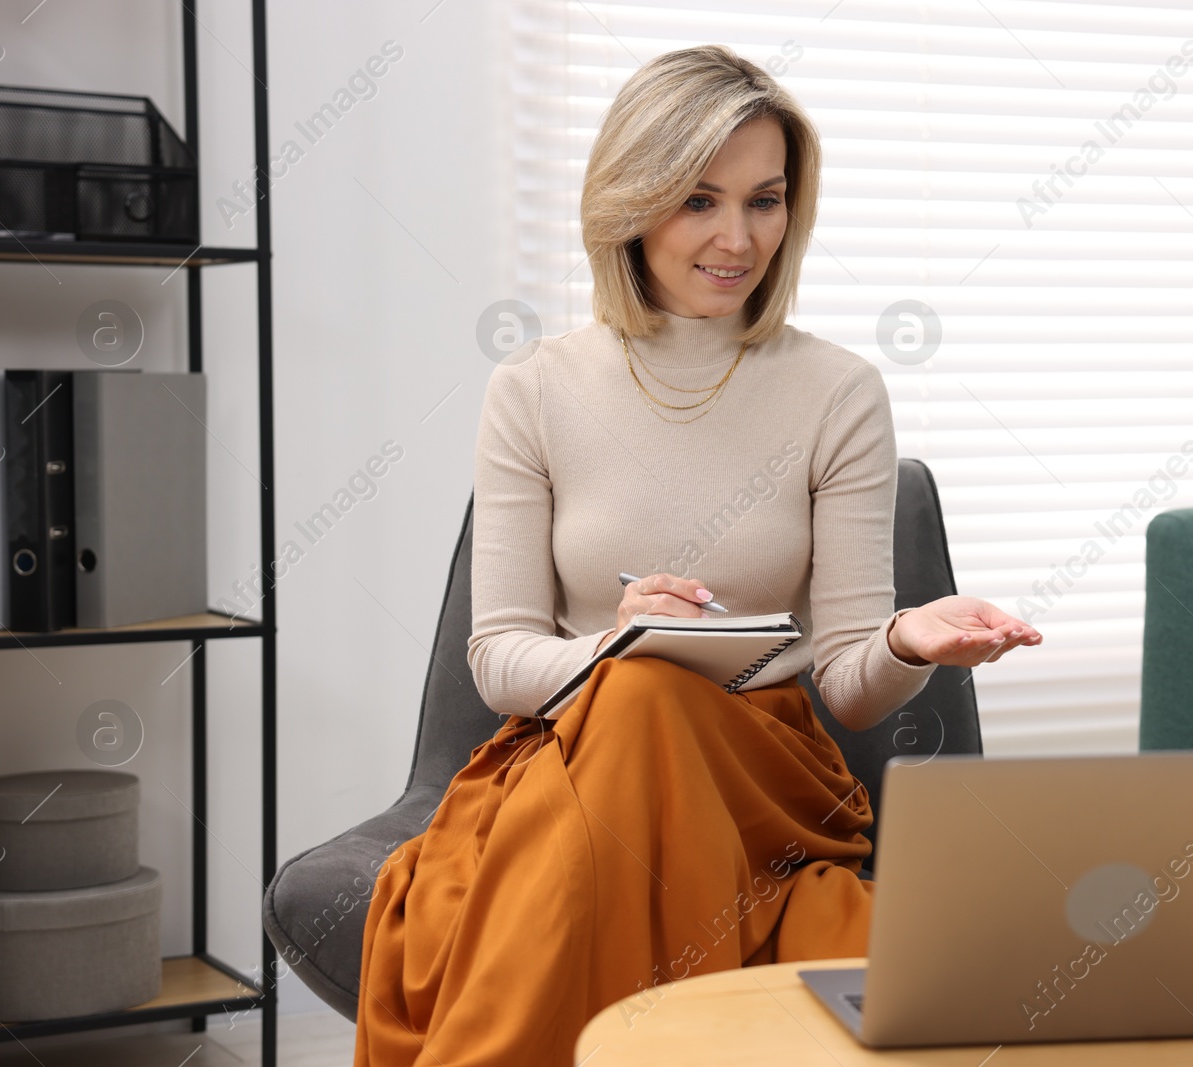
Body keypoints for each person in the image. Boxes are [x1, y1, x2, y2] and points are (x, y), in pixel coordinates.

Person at [352, 43, 1041, 1067]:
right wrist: (619, 643)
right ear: (632, 203)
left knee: (645, 712)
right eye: (698, 201)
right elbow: (498, 658)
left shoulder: (837, 392)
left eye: (765, 200)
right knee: (635, 698)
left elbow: (847, 687)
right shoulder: (534, 389)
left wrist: (905, 638)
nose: (737, 237)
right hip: (582, 751)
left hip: (759, 772)